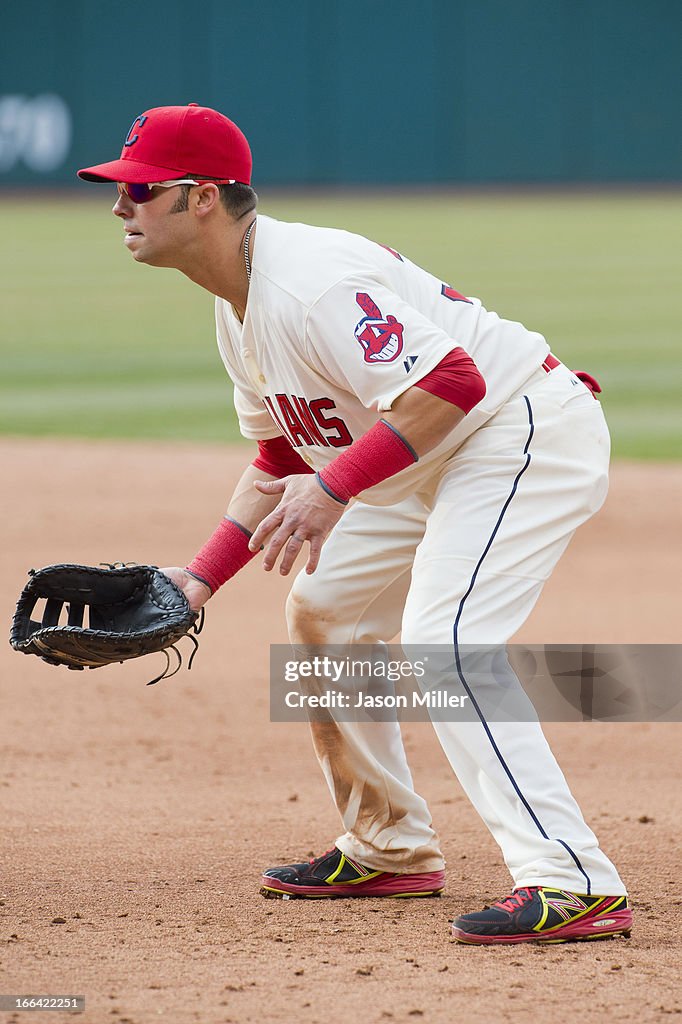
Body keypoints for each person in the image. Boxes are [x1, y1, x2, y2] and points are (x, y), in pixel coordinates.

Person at [78, 103, 632, 945]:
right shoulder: (236, 308)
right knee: (322, 606)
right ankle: (390, 845)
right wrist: (197, 582)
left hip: (517, 430)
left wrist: (334, 490)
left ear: (201, 197)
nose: (120, 207)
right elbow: (278, 463)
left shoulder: (312, 281)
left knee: (446, 641)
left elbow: (454, 381)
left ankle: (573, 879)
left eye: (139, 190)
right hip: (423, 456)